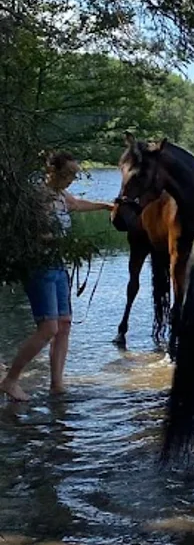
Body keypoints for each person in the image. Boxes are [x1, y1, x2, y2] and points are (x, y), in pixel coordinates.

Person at [1, 151, 114, 402]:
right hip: (39, 268)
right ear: (52, 171)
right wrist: (60, 240)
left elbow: (78, 204)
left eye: (74, 174)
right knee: (48, 328)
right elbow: (28, 235)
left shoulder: (62, 197)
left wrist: (107, 205)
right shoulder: (37, 198)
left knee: (63, 325)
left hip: (58, 267)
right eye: (68, 174)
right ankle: (10, 380)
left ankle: (57, 384)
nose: (72, 179)